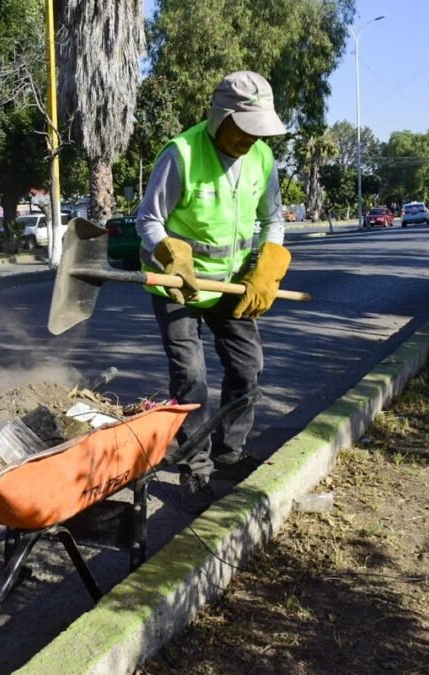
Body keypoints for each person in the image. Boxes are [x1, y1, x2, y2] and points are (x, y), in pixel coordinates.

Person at [135, 71, 292, 513]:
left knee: (248, 366)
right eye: (245, 128)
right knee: (192, 378)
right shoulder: (181, 154)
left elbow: (273, 218)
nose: (251, 139)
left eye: (259, 130)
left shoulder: (262, 158)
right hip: (178, 285)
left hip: (231, 282)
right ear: (221, 117)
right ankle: (195, 469)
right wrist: (171, 254)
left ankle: (229, 453)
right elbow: (148, 219)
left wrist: (269, 261)